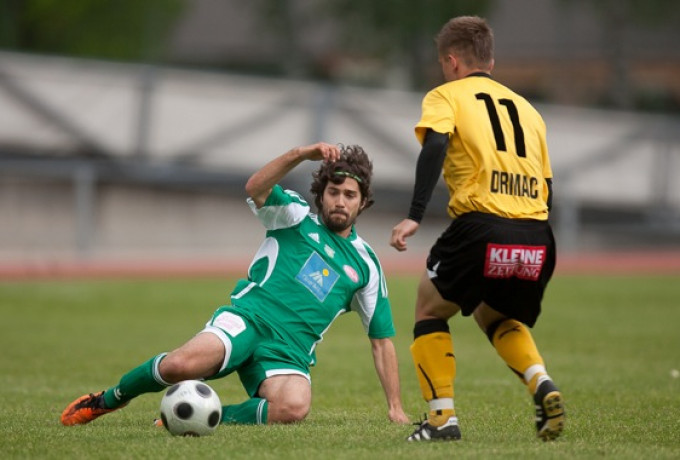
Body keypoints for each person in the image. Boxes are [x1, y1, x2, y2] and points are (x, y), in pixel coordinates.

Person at [61, 142, 409, 428]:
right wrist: (300, 154)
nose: (340, 201)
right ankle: (108, 400)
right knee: (178, 366)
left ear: (363, 202)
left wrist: (395, 407)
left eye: (350, 195)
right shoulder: (294, 216)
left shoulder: (366, 265)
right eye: (334, 192)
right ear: (322, 194)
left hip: (289, 351)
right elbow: (255, 187)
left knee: (294, 407)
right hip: (247, 320)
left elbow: (381, 342)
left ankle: (200, 416)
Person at [389, 16, 564, 442]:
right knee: (494, 313)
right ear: (491, 61)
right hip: (536, 233)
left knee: (429, 309)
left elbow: (435, 145)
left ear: (451, 61)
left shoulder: (446, 95)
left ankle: (441, 420)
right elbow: (547, 183)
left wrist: (414, 213)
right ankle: (540, 381)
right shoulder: (528, 110)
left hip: (482, 226)